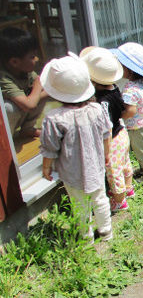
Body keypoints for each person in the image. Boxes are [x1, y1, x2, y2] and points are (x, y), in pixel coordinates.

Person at [39, 53, 113, 242]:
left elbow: (50, 148)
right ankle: (106, 231)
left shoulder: (54, 118)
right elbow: (106, 134)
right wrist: (107, 154)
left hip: (71, 172)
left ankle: (86, 236)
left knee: (80, 204)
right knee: (100, 199)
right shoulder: (96, 109)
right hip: (96, 166)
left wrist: (46, 167)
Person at [80, 46, 134, 212]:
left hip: (112, 140)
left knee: (113, 171)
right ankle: (128, 188)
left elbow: (106, 127)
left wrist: (105, 150)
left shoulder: (102, 101)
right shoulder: (114, 87)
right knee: (125, 163)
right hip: (122, 133)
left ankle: (119, 200)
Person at [110, 42, 143, 187]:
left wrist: (119, 116)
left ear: (129, 69)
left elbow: (131, 111)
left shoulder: (129, 89)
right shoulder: (141, 82)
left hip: (139, 129)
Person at [0, 27, 47, 137]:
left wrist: (38, 92)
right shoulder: (3, 78)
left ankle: (27, 129)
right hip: (5, 123)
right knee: (9, 108)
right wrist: (38, 85)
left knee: (37, 95)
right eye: (32, 56)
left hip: (21, 110)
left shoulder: (24, 70)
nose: (36, 59)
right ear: (14, 62)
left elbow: (43, 93)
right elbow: (29, 105)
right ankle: (6, 141)